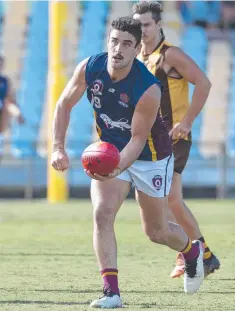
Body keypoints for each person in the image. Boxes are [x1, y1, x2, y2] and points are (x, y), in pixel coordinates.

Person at [51, 17, 205, 309]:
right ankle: (112, 293)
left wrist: (116, 167)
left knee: (156, 232)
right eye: (114, 41)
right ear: (107, 41)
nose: (117, 49)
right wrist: (57, 148)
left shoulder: (148, 88)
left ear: (136, 49)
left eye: (126, 44)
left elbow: (137, 139)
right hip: (110, 151)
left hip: (151, 157)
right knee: (102, 214)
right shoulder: (90, 67)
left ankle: (192, 252)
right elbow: (63, 105)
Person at [132, 1, 220, 279]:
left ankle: (201, 255)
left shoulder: (171, 55)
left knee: (171, 199)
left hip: (174, 137)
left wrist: (188, 121)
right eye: (138, 25)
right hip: (150, 142)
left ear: (158, 24)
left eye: (146, 24)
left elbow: (204, 83)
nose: (142, 30)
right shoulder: (137, 58)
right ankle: (193, 254)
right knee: (165, 201)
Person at [0, 56, 24, 159]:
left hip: (2, 108)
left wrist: (18, 113)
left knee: (6, 106)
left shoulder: (4, 81)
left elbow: (9, 100)